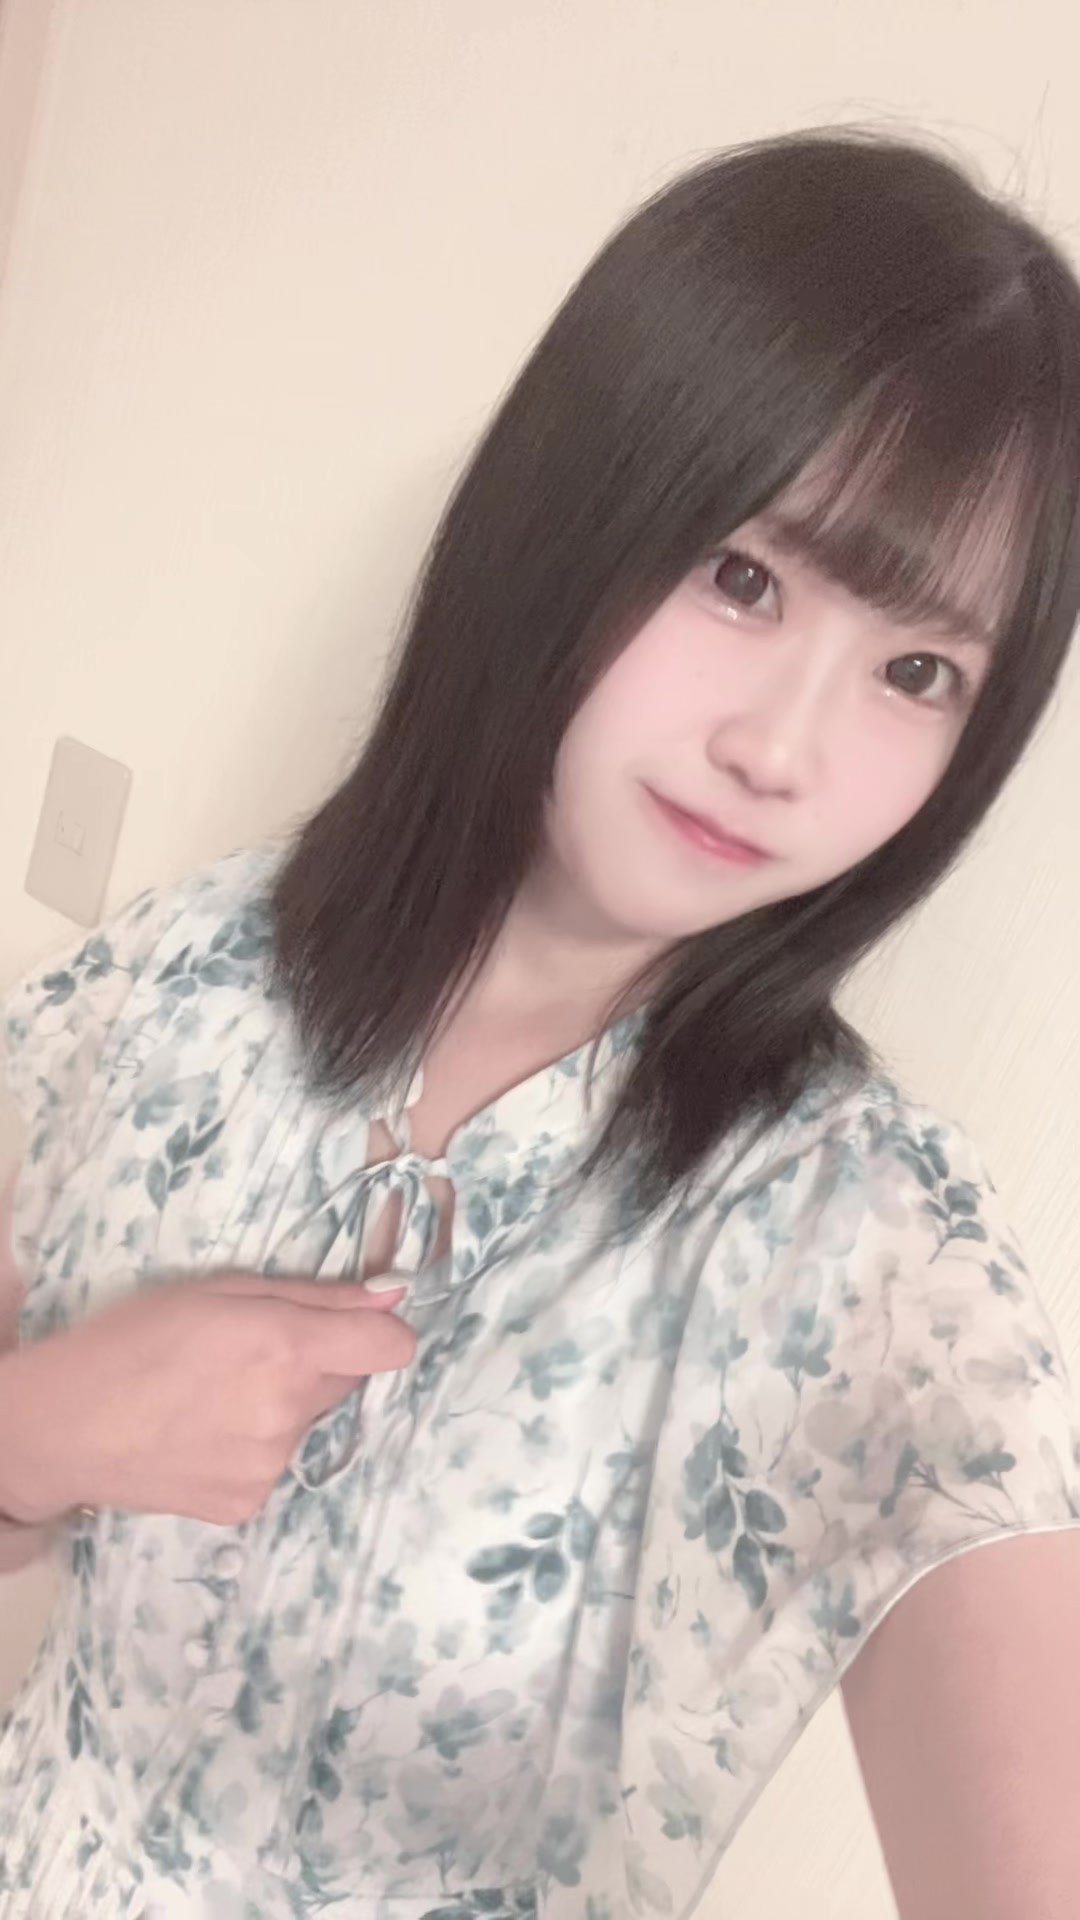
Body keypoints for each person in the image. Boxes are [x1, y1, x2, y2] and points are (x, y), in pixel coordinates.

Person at [1, 127, 1080, 1920]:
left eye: (917, 671)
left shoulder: (873, 1262)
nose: (784, 749)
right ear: (567, 510)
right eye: (744, 576)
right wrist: (43, 1425)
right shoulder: (181, 978)